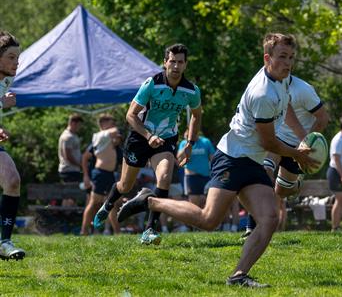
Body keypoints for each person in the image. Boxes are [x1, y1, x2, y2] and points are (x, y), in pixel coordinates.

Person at [117, 33, 318, 287]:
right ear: (267, 58)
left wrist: (303, 137)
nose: (288, 63)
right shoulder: (262, 93)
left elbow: (285, 108)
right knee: (209, 220)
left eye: (291, 57)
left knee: (269, 218)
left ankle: (238, 276)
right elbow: (269, 143)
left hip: (252, 161)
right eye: (282, 57)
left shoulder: (283, 79)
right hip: (232, 159)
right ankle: (152, 200)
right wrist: (299, 154)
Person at [93, 43, 202, 245]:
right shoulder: (152, 84)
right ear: (165, 62)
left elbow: (196, 115)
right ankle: (108, 205)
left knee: (165, 177)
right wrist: (149, 135)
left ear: (186, 65)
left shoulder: (191, 90)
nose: (176, 66)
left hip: (167, 139)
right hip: (140, 137)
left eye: (180, 62)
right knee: (125, 185)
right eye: (172, 61)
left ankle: (150, 229)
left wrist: (190, 143)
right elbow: (130, 115)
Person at [243, 74, 329, 235]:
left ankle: (296, 184)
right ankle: (251, 227)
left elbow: (323, 118)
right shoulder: (265, 85)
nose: (285, 64)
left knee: (282, 191)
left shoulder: (304, 89)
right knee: (263, 173)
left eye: (289, 58)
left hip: (298, 146)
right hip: (276, 141)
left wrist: (306, 141)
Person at [0, 31, 25, 260]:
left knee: (12, 180)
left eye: (17, 57)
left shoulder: (7, 79)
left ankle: (4, 242)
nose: (16, 63)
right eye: (10, 57)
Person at [80, 114, 122, 235]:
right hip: (100, 173)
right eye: (111, 122)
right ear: (103, 123)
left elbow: (115, 136)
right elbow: (115, 131)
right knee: (93, 203)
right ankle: (84, 231)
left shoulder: (107, 138)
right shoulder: (100, 135)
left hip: (109, 174)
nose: (114, 124)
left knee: (111, 203)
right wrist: (86, 176)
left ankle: (117, 232)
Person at [179, 130, 215, 209]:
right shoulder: (184, 143)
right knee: (193, 203)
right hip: (191, 177)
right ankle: (193, 221)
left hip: (205, 176)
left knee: (206, 202)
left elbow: (212, 158)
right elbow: (179, 158)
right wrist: (187, 143)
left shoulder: (205, 141)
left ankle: (205, 220)